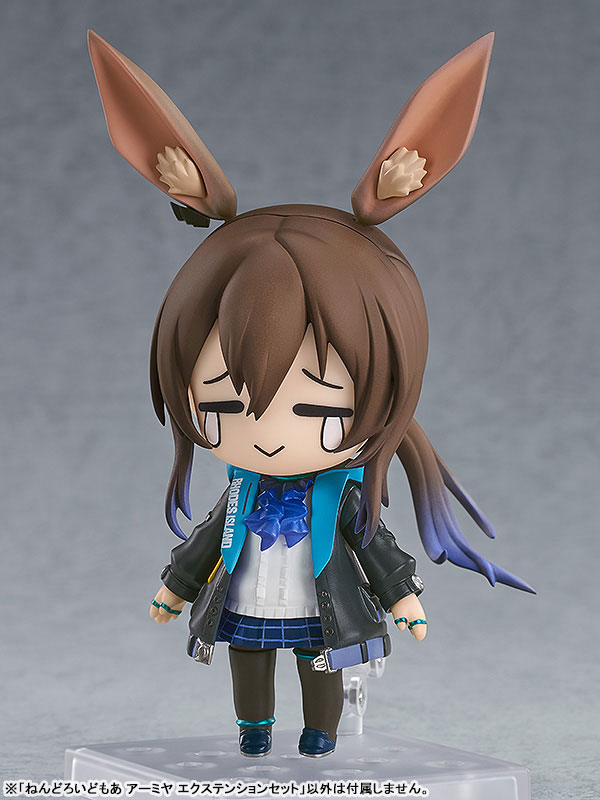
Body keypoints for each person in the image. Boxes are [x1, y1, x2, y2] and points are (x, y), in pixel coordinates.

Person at [89, 30, 534, 759]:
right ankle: (254, 731)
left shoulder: (339, 494)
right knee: (249, 662)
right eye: (225, 407)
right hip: (246, 598)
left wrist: (403, 596)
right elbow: (205, 541)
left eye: (318, 409)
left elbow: (375, 543)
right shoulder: (241, 490)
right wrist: (175, 586)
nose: (265, 431)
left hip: (323, 608)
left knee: (320, 664)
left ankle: (321, 732)